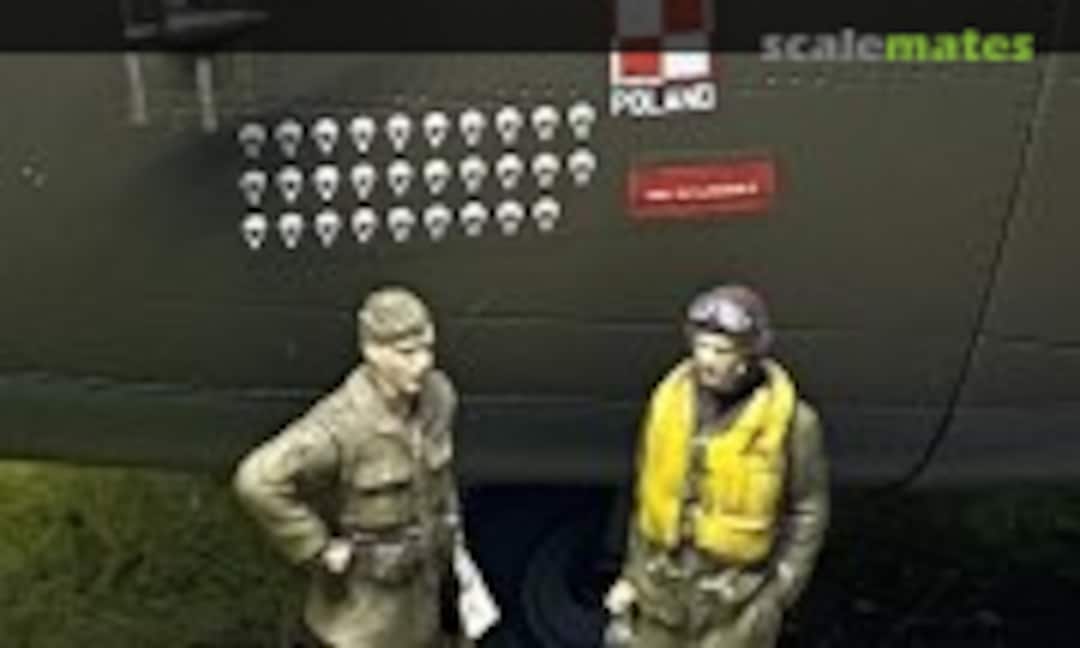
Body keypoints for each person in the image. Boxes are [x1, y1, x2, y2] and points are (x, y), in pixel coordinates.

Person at [233, 287, 469, 648]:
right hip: (365, 606)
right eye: (406, 353)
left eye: (428, 349)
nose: (422, 363)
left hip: (428, 588)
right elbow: (257, 481)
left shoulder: (438, 398)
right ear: (372, 351)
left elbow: (440, 478)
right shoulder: (339, 428)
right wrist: (317, 547)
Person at [604, 285, 830, 648]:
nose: (706, 359)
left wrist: (779, 593)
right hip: (659, 594)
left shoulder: (792, 424)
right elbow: (646, 495)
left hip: (735, 605)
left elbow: (807, 511)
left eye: (721, 351)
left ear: (747, 357)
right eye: (701, 346)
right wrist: (630, 575)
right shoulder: (669, 406)